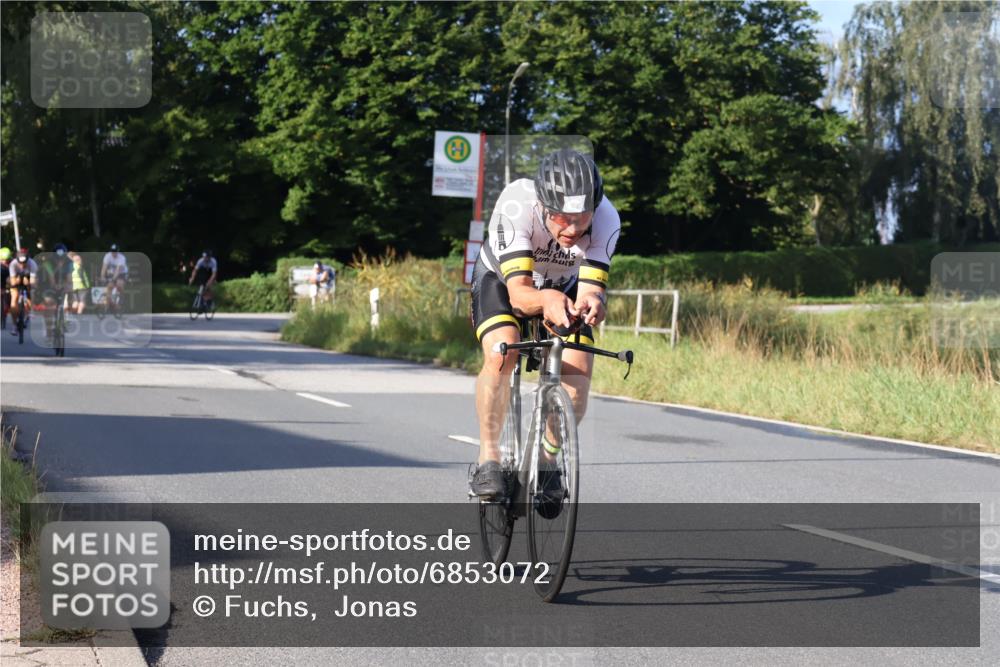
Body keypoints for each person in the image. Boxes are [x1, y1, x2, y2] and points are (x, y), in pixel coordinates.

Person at [469, 149, 620, 498]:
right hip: (503, 280)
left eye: (582, 219)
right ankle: (488, 457)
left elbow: (591, 288)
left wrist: (594, 302)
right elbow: (520, 295)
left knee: (577, 376)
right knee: (502, 352)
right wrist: (546, 300)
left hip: (563, 284)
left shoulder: (607, 217)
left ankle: (548, 459)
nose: (572, 229)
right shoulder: (516, 205)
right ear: (543, 205)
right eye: (562, 218)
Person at [39, 244, 73, 343]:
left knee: (70, 291)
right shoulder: (48, 262)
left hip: (63, 282)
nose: (60, 261)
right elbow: (51, 279)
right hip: (48, 284)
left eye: (62, 259)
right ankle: (49, 333)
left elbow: (69, 278)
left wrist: (67, 287)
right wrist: (55, 286)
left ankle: (66, 315)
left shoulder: (69, 262)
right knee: (49, 305)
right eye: (57, 259)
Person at [7, 247, 39, 335]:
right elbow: (12, 281)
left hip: (28, 279)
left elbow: (33, 282)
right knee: (14, 298)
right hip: (16, 279)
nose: (22, 265)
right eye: (20, 263)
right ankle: (14, 325)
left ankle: (29, 310)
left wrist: (28, 284)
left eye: (24, 263)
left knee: (31, 292)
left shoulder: (32, 264)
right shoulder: (13, 264)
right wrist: (17, 281)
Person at [100, 243, 128, 309]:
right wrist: (102, 277)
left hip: (122, 273)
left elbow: (118, 270)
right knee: (109, 287)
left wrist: (113, 279)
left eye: (115, 251)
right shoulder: (107, 256)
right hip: (112, 273)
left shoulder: (122, 258)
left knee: (119, 284)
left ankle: (121, 299)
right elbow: (104, 267)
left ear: (118, 251)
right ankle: (107, 306)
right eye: (112, 251)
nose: (113, 253)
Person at [0, 247, 10, 329]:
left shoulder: (10, 266)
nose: (4, 262)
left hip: (6, 285)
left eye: (6, 260)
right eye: (2, 260)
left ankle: (6, 310)